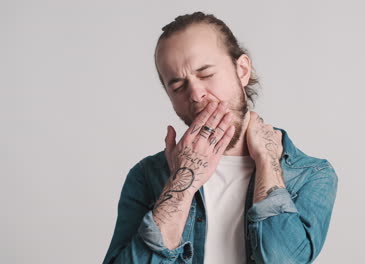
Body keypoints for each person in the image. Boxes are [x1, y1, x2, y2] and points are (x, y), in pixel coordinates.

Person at [103, 11, 338, 264]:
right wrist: (182, 183)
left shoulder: (312, 174)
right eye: (178, 87)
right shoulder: (146, 176)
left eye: (205, 74)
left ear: (242, 70)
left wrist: (268, 163)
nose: (195, 94)